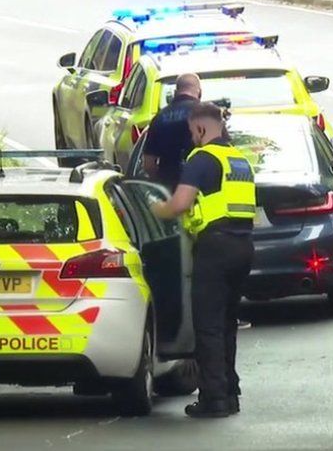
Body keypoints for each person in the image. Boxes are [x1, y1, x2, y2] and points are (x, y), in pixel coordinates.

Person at [152, 102, 256, 418]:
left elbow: (181, 203)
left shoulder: (201, 158)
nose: (192, 138)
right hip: (243, 247)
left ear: (199, 128)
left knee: (208, 326)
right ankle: (230, 392)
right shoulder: (240, 161)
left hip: (215, 247)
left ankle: (214, 400)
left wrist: (157, 209)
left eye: (191, 132)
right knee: (226, 325)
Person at [143, 73, 202, 191]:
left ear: (175, 92)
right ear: (200, 92)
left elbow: (148, 164)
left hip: (170, 188)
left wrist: (161, 184)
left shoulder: (160, 118)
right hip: (203, 188)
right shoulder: (208, 114)